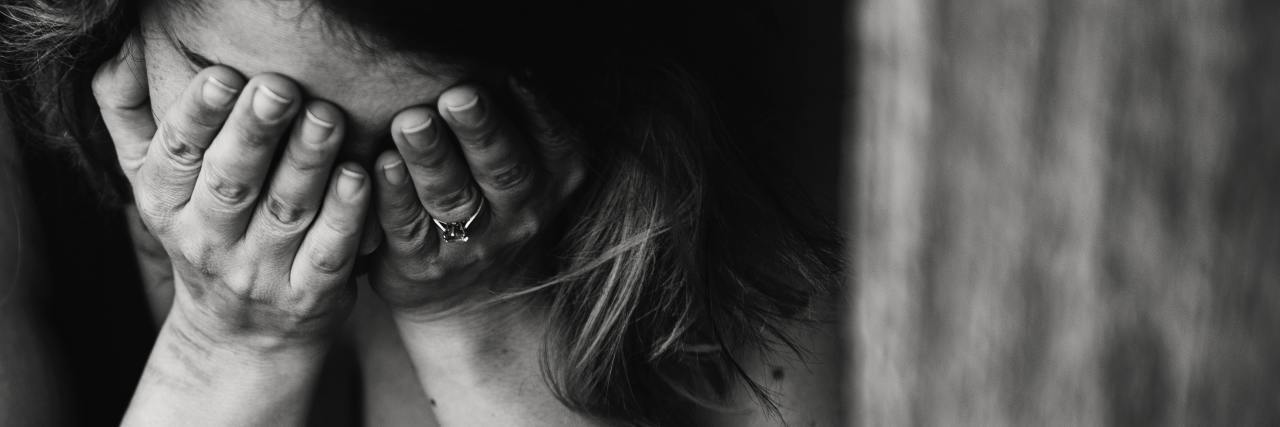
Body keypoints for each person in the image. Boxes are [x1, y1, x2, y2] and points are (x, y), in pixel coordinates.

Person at [0, 0, 843, 425]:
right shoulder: (17, 175)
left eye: (426, 140)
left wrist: (485, 322)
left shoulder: (737, 211)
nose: (326, 201)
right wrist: (221, 346)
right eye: (251, 115)